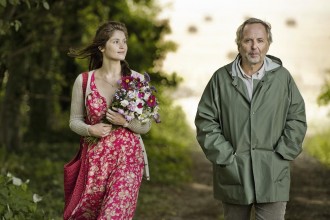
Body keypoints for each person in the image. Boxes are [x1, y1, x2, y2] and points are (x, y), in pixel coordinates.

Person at [195, 17, 307, 220]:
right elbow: (205, 121)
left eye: (260, 40)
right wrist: (226, 156)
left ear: (268, 43)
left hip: (273, 172)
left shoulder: (283, 78)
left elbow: (296, 117)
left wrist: (282, 153)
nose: (254, 47)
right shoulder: (220, 79)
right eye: (248, 41)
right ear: (239, 44)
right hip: (234, 173)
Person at [65, 21, 151, 219]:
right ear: (102, 47)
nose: (123, 46)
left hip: (128, 160)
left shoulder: (137, 80)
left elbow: (145, 126)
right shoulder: (84, 81)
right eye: (116, 41)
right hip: (95, 163)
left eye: (124, 41)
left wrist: (125, 122)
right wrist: (91, 130)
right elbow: (74, 121)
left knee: (112, 215)